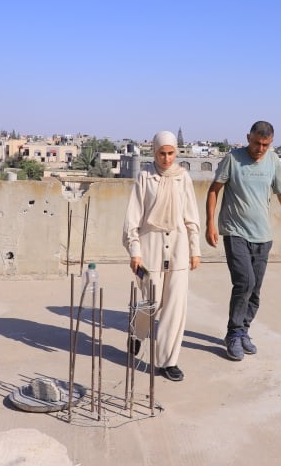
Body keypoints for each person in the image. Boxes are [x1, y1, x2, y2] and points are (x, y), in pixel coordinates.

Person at [205, 120, 281, 361]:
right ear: (248, 137)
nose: (260, 149)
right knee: (244, 282)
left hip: (263, 236)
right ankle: (233, 334)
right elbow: (213, 190)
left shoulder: (273, 161)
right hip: (235, 232)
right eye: (256, 143)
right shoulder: (233, 159)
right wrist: (210, 223)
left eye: (266, 144)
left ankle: (243, 331)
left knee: (255, 289)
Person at [122, 131, 201, 381]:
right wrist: (135, 252)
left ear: (176, 153)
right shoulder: (145, 177)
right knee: (150, 302)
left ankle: (168, 361)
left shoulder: (182, 178)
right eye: (161, 153)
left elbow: (191, 218)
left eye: (170, 153)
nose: (166, 159)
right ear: (154, 152)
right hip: (149, 250)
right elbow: (132, 221)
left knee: (175, 308)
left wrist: (194, 249)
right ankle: (137, 333)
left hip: (178, 250)